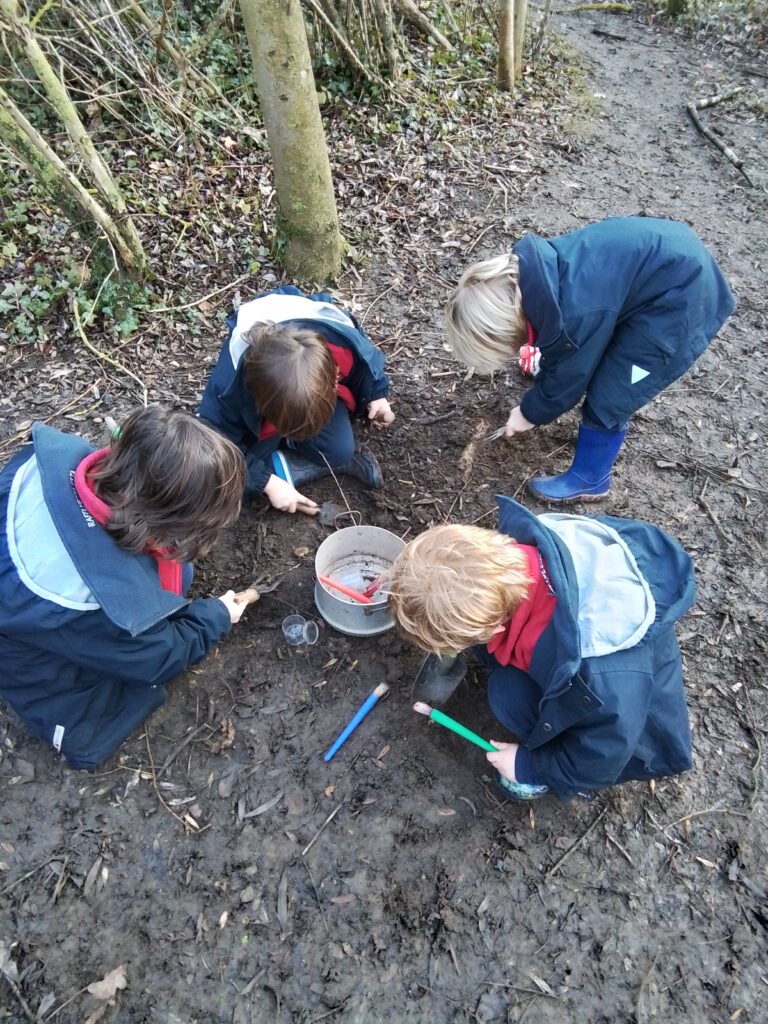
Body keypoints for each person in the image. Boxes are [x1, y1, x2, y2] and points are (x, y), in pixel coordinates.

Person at [388, 495, 696, 801]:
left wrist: (531, 766)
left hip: (633, 741)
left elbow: (603, 756)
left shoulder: (599, 681)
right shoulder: (518, 555)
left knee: (507, 696)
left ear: (494, 627)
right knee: (502, 677)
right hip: (591, 676)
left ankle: (549, 778)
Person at [0, 406, 251, 770]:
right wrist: (215, 616)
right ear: (161, 524)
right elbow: (160, 656)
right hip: (30, 649)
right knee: (103, 717)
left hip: (23, 586)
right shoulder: (93, 604)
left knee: (180, 574)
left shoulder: (67, 465)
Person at [446, 217, 734, 501]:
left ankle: (590, 479)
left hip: (682, 302)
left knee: (611, 396)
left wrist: (530, 412)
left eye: (510, 345)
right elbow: (566, 345)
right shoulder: (540, 274)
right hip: (664, 263)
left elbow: (569, 380)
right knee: (582, 350)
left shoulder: (573, 317)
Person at [199, 285, 395, 514]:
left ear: (334, 378)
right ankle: (275, 472)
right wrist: (266, 482)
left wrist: (376, 394)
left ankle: (284, 465)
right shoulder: (229, 387)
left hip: (294, 402)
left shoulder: (340, 341)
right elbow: (214, 445)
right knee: (220, 484)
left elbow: (367, 363)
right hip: (259, 426)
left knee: (340, 451)